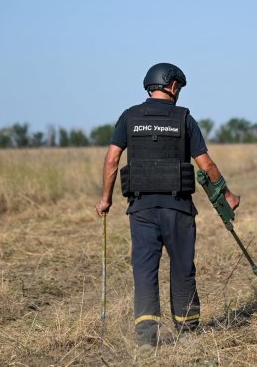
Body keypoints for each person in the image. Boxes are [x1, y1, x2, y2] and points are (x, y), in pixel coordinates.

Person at [95, 62, 240, 347]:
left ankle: (147, 336)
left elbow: (112, 160)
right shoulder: (184, 118)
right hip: (178, 208)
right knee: (182, 266)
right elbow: (206, 164)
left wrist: (105, 200)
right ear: (172, 86)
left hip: (141, 210)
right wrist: (228, 195)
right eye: (180, 88)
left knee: (145, 267)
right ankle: (187, 331)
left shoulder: (129, 117)